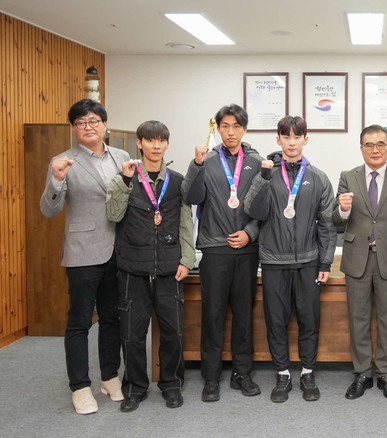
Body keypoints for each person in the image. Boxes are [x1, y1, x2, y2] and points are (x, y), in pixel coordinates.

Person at [40, 99, 128, 414]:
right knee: (79, 322)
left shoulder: (122, 157)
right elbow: (48, 210)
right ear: (73, 128)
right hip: (83, 252)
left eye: (93, 121)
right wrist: (57, 180)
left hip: (119, 251)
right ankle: (79, 387)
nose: (88, 127)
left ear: (105, 124)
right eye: (80, 122)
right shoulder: (63, 161)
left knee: (112, 318)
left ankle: (110, 376)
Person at [244, 116, 337, 403]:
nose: (292, 142)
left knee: (309, 320)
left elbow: (327, 225)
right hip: (274, 261)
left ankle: (307, 373)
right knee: (276, 321)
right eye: (287, 137)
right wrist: (263, 177)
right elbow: (253, 211)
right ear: (278, 140)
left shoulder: (318, 177)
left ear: (306, 139)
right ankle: (283, 374)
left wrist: (325, 262)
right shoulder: (266, 173)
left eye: (297, 137)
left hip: (308, 261)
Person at [106, 121, 195, 412]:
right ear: (140, 143)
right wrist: (124, 182)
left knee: (173, 333)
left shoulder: (178, 181)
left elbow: (185, 222)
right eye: (150, 140)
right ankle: (134, 388)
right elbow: (113, 215)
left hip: (169, 269)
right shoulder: (126, 177)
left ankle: (171, 385)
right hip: (133, 269)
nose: (156, 146)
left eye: (161, 141)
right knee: (132, 335)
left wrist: (187, 259)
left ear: (167, 144)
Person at [183, 104, 263, 402]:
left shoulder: (256, 162)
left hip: (246, 249)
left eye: (236, 126)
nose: (230, 132)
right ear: (218, 129)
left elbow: (264, 207)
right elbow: (191, 197)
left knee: (244, 314)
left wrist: (249, 233)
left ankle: (242, 373)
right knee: (213, 314)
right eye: (225, 126)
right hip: (214, 249)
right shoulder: (206, 159)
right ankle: (211, 376)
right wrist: (196, 164)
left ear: (245, 129)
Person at [334, 125, 387, 401]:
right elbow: (335, 220)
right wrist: (343, 209)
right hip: (356, 257)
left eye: (380, 144)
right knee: (358, 318)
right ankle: (362, 373)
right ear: (361, 148)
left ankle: (386, 374)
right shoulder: (348, 177)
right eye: (369, 144)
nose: (375, 149)